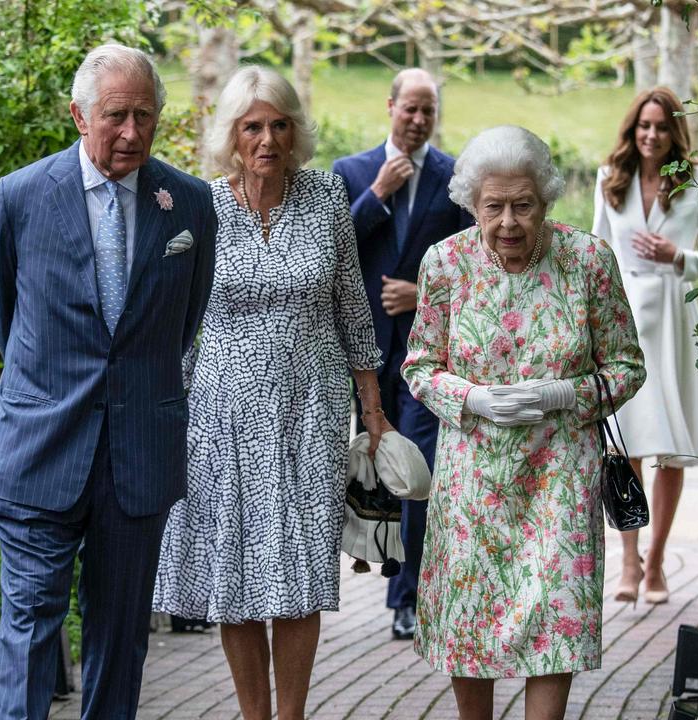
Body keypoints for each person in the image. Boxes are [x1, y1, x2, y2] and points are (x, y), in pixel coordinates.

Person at [0, 45, 216, 719]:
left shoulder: (189, 207)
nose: (132, 133)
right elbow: (6, 315)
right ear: (80, 116)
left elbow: (182, 324)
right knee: (29, 621)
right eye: (116, 116)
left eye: (145, 116)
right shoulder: (21, 197)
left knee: (120, 632)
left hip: (138, 452)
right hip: (40, 445)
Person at [153, 66, 391, 720]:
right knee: (237, 570)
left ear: (295, 131)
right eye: (253, 126)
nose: (267, 139)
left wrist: (373, 409)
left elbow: (350, 302)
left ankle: (292, 717)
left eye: (279, 124)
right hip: (221, 416)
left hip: (310, 412)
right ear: (232, 134)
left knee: (300, 571)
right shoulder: (201, 206)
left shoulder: (327, 196)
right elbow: (170, 310)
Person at [403, 125, 645, 718]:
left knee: (554, 623)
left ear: (546, 199)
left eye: (523, 205)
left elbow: (627, 367)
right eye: (494, 207)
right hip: (473, 486)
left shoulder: (588, 261)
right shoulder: (446, 264)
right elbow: (420, 366)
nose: (508, 222)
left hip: (559, 479)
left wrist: (568, 393)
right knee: (471, 623)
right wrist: (474, 399)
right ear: (472, 204)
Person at [331, 67, 473, 641]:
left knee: (416, 473)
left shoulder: (455, 175)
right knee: (371, 473)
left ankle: (405, 597)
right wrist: (379, 194)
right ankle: (369, 578)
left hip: (426, 355)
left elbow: (472, 261)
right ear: (390, 106)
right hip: (361, 355)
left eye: (428, 112)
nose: (417, 120)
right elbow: (334, 249)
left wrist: (423, 292)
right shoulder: (352, 173)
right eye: (409, 109)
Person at [592, 87, 698, 606]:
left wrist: (678, 255)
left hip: (677, 323)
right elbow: (597, 252)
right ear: (633, 130)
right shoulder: (611, 181)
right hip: (625, 321)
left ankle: (656, 563)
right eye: (643, 126)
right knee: (624, 446)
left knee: (670, 450)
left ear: (675, 132)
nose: (650, 135)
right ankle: (627, 563)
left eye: (659, 127)